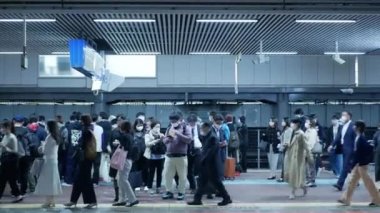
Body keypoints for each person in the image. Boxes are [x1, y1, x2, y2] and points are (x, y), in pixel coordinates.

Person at [187, 122, 232, 206]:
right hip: (207, 164)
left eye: (202, 128)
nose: (201, 130)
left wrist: (202, 159)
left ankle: (226, 198)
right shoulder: (208, 136)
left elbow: (210, 152)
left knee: (216, 182)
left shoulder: (212, 138)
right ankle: (197, 199)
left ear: (207, 128)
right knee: (203, 182)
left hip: (211, 165)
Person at [338, 120, 380, 207]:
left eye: (355, 126)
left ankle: (377, 199)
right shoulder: (359, 137)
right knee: (352, 182)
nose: (353, 127)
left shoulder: (361, 138)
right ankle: (346, 199)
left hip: (362, 165)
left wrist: (352, 164)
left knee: (368, 182)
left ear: (358, 128)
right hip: (360, 164)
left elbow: (359, 153)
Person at [65, 115, 97, 209]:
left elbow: (80, 144)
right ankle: (74, 200)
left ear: (83, 120)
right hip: (86, 158)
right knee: (79, 180)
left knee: (84, 180)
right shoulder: (89, 129)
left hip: (84, 158)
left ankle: (91, 201)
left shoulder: (85, 130)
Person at [162, 112, 192, 201]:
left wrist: (178, 134)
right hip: (169, 156)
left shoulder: (186, 127)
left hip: (181, 156)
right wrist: (167, 139)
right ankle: (169, 191)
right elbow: (165, 141)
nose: (173, 122)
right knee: (167, 175)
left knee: (182, 176)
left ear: (180, 120)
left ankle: (181, 192)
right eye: (171, 121)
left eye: (175, 121)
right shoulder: (169, 128)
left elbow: (189, 140)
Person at [35, 120, 63, 208]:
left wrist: (41, 147)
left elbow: (45, 151)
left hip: (48, 161)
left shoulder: (50, 137)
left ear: (49, 127)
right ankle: (52, 200)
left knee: (48, 182)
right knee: (53, 182)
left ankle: (48, 201)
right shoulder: (56, 136)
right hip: (54, 161)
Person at [112, 121, 139, 207]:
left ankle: (132, 199)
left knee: (123, 180)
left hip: (125, 160)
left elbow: (125, 147)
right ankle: (122, 199)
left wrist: (118, 144)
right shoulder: (130, 135)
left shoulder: (124, 136)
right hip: (128, 160)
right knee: (120, 179)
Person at [329, 111, 356, 191]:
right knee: (348, 167)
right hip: (343, 149)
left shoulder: (353, 126)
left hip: (350, 150)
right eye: (342, 115)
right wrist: (331, 145)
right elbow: (338, 137)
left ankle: (339, 184)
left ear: (349, 117)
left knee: (345, 167)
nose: (342, 117)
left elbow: (357, 138)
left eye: (344, 115)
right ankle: (355, 181)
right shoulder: (342, 126)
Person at [284, 118, 309, 200]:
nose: (291, 125)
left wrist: (309, 157)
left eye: (292, 124)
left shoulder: (301, 134)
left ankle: (292, 192)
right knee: (295, 176)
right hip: (290, 156)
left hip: (298, 158)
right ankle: (304, 187)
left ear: (297, 124)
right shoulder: (290, 132)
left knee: (294, 175)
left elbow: (306, 146)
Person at [0, 121, 24, 203]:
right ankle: (18, 195)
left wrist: (5, 148)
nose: (1, 129)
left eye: (3, 127)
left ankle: (18, 195)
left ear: (7, 128)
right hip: (6, 159)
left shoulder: (12, 137)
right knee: (11, 179)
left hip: (11, 160)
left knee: (3, 179)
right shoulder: (5, 136)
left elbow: (15, 151)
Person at [144, 120, 165, 194]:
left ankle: (158, 187)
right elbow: (147, 144)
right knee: (151, 173)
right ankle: (149, 187)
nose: (158, 128)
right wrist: (155, 141)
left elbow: (165, 144)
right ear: (152, 127)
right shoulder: (148, 134)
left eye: (159, 127)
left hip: (161, 157)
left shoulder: (161, 134)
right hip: (151, 157)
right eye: (156, 127)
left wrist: (163, 139)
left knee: (159, 173)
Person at [13, 115, 31, 196]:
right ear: (23, 122)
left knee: (13, 174)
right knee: (24, 173)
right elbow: (30, 142)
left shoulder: (11, 130)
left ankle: (14, 192)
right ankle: (23, 191)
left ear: (13, 121)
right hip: (26, 155)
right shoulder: (27, 130)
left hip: (14, 155)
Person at [63, 112, 83, 186]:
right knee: (78, 165)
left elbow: (66, 138)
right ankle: (77, 180)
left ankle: (68, 180)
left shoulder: (69, 126)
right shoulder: (82, 126)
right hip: (80, 148)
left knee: (69, 164)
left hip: (71, 148)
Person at [109, 115, 126, 202]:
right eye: (118, 120)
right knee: (115, 177)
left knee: (123, 177)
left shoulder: (127, 131)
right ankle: (117, 195)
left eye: (121, 120)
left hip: (124, 156)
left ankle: (124, 195)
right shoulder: (114, 131)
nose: (119, 122)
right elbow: (110, 142)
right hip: (115, 156)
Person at [133, 119, 148, 191]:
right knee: (136, 170)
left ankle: (146, 184)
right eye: (138, 125)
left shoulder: (146, 133)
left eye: (141, 125)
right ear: (135, 126)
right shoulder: (132, 134)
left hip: (144, 154)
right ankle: (137, 184)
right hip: (136, 154)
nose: (140, 127)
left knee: (145, 169)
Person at [304, 117, 319, 188]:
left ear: (310, 123)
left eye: (307, 122)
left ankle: (312, 180)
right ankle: (308, 179)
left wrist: (307, 150)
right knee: (306, 166)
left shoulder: (313, 131)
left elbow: (311, 142)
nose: (305, 123)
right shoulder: (307, 131)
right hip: (306, 151)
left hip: (310, 151)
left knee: (311, 166)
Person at [277, 117, 292, 182]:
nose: (282, 123)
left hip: (287, 148)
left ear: (286, 122)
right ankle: (283, 177)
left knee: (286, 163)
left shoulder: (289, 130)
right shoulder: (285, 129)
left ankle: (284, 177)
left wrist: (283, 145)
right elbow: (282, 139)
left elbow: (287, 140)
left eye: (283, 121)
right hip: (284, 148)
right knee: (284, 163)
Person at [91, 114, 104, 186]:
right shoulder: (100, 128)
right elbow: (103, 139)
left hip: (89, 150)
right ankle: (95, 181)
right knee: (96, 166)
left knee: (88, 166)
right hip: (98, 149)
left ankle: (87, 180)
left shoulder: (87, 127)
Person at [56, 115, 69, 181]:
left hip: (53, 146)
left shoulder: (51, 127)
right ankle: (59, 176)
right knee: (60, 162)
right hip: (61, 147)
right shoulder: (64, 128)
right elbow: (66, 139)